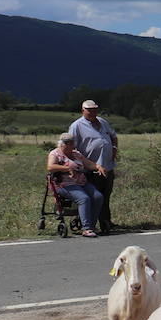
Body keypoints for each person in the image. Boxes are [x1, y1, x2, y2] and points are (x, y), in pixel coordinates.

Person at [68, 99, 118, 234]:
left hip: (107, 166)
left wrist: (114, 148)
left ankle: (106, 222)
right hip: (89, 168)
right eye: (89, 110)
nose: (92, 112)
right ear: (82, 111)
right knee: (94, 196)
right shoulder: (76, 126)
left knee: (106, 195)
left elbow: (113, 136)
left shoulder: (103, 122)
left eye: (95, 109)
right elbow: (71, 147)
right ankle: (89, 223)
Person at [47, 132, 106, 237]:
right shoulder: (55, 154)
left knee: (98, 197)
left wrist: (98, 166)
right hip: (64, 184)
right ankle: (86, 228)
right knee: (84, 198)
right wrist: (67, 168)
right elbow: (51, 167)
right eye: (67, 143)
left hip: (81, 182)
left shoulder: (76, 154)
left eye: (71, 143)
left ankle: (91, 225)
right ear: (61, 144)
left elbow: (88, 164)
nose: (70, 145)